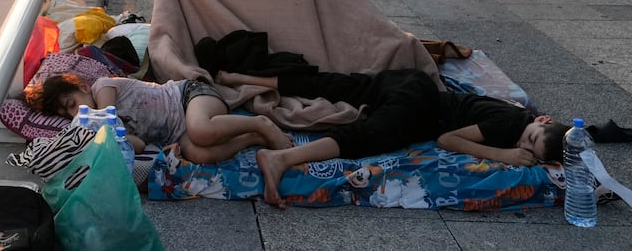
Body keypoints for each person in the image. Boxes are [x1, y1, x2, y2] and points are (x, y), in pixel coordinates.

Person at [217, 68, 569, 208]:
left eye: (529, 149)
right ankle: (281, 158)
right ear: (540, 119)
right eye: (530, 136)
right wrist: (504, 156)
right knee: (372, 136)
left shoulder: (519, 121)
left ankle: (240, 76)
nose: (522, 145)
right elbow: (449, 140)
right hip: (419, 101)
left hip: (409, 88)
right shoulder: (508, 122)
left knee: (336, 85)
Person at [25, 72, 293, 164]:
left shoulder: (103, 87)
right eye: (68, 114)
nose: (75, 114)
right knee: (197, 153)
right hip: (179, 133)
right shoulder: (109, 126)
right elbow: (138, 146)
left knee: (200, 130)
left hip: (189, 96)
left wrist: (87, 131)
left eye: (72, 105)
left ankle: (260, 122)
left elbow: (105, 116)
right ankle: (251, 137)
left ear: (82, 87)